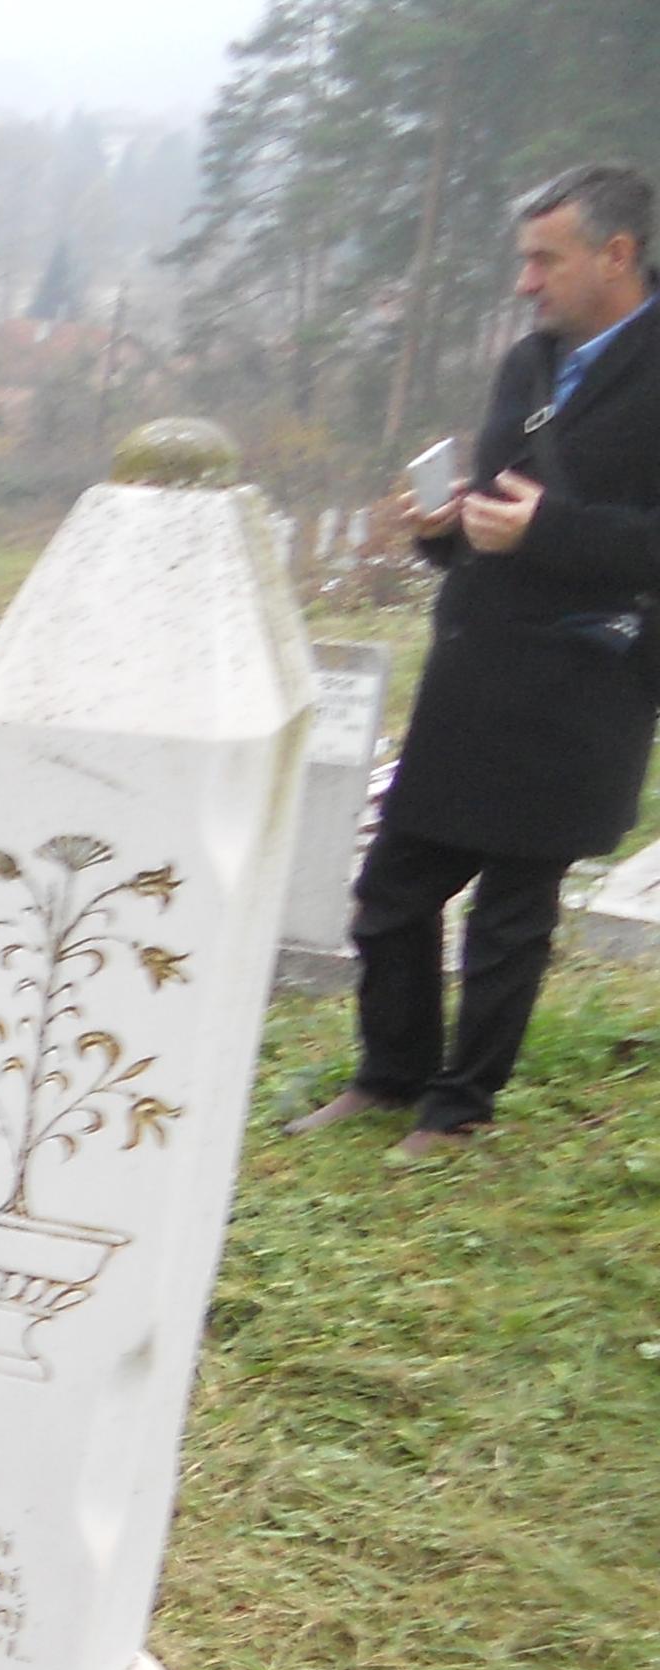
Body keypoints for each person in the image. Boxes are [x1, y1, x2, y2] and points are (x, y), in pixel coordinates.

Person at [291, 162, 660, 1162]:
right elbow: (502, 507)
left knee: (511, 913)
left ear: (617, 255)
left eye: (546, 258)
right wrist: (443, 527)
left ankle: (458, 1111)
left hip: (586, 681)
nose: (525, 282)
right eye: (522, 260)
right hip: (479, 669)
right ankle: (389, 1075)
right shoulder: (531, 365)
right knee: (394, 892)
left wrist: (545, 533)